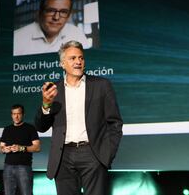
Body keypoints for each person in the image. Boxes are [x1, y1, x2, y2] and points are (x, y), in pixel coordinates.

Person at [35, 40, 123, 195]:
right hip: (63, 157)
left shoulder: (101, 85)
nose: (78, 62)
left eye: (81, 58)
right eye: (73, 58)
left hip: (93, 154)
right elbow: (41, 127)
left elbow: (115, 123)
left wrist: (106, 154)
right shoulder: (54, 90)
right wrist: (46, 104)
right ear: (62, 64)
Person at [13, 0, 91, 56]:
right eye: (50, 11)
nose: (56, 17)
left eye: (63, 12)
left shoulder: (76, 34)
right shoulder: (17, 38)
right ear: (39, 13)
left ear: (68, 16)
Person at [0, 104, 41, 195]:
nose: (16, 116)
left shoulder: (30, 128)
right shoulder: (7, 129)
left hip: (24, 167)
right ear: (11, 115)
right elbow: (0, 147)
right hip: (8, 167)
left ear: (23, 114)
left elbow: (37, 147)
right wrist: (4, 149)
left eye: (18, 113)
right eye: (14, 114)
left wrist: (21, 148)